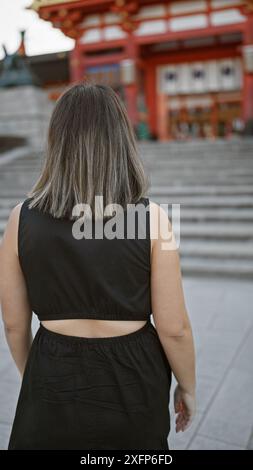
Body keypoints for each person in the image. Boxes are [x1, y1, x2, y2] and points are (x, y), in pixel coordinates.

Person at [0, 83, 196, 450]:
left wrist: (36, 378)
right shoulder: (154, 219)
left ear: (57, 141)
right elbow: (175, 328)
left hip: (51, 366)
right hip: (134, 373)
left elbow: (13, 324)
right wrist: (187, 385)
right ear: (121, 140)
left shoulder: (19, 219)